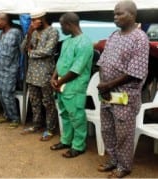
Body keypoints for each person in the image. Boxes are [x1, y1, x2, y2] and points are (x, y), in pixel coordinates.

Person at [96, 1, 149, 178]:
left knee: (123, 133)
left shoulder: (140, 38)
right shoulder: (114, 35)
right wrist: (103, 85)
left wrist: (108, 84)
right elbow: (102, 61)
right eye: (114, 14)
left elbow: (135, 73)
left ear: (132, 15)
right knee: (107, 129)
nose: (115, 17)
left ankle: (124, 166)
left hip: (125, 95)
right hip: (107, 93)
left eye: (120, 14)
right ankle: (113, 160)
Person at [50, 12, 93, 158]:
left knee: (76, 116)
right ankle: (66, 140)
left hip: (75, 85)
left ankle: (78, 146)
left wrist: (60, 81)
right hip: (62, 85)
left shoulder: (85, 43)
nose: (61, 29)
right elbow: (60, 61)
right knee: (65, 114)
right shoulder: (67, 41)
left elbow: (76, 69)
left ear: (69, 25)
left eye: (62, 26)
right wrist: (54, 77)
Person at [21, 10, 58, 141]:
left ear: (42, 19)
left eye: (34, 20)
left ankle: (50, 128)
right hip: (32, 73)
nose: (32, 23)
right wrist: (30, 32)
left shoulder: (53, 32)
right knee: (34, 101)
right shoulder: (34, 32)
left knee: (48, 102)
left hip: (45, 73)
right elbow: (23, 48)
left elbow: (48, 51)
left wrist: (32, 53)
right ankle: (37, 124)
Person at [0, 13, 23, 128]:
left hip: (10, 70)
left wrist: (20, 69)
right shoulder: (0, 34)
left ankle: (15, 118)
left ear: (5, 21)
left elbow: (22, 50)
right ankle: (7, 115)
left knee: (8, 94)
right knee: (1, 94)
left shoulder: (16, 32)